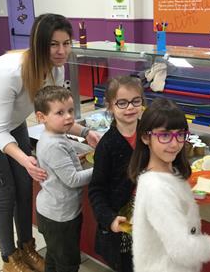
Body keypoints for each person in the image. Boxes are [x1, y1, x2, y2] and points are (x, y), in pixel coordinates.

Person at [0, 13, 100, 272]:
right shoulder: (11, 72)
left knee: (25, 188)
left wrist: (86, 132)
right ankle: (10, 258)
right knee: (5, 195)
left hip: (12, 123)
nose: (62, 51)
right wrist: (26, 160)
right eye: (53, 44)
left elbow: (56, 114)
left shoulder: (56, 69)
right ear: (39, 44)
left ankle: (27, 247)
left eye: (66, 43)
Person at [128, 98, 210, 272]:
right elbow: (182, 250)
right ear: (145, 137)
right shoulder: (157, 188)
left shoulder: (168, 174)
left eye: (180, 134)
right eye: (164, 135)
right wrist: (208, 244)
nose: (174, 143)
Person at [34, 86, 93, 272]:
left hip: (52, 213)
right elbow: (73, 180)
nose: (68, 117)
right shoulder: (54, 145)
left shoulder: (55, 135)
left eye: (70, 110)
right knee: (67, 264)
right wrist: (100, 169)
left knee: (53, 256)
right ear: (41, 117)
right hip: (60, 218)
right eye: (60, 113)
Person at [88, 75, 144, 272]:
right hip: (122, 223)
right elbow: (96, 189)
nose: (130, 107)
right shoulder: (107, 145)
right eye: (122, 102)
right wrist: (109, 219)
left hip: (147, 215)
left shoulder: (149, 134)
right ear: (110, 106)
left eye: (135, 101)